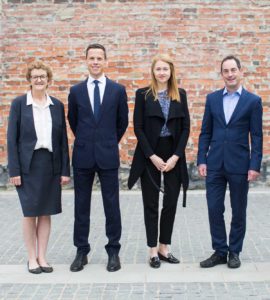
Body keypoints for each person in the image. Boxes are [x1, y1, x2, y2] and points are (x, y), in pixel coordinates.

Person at [197, 55, 263, 269]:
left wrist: (254, 165)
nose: (230, 74)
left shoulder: (253, 101)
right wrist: (201, 159)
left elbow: (257, 136)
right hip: (214, 163)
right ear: (222, 74)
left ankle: (234, 251)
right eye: (226, 71)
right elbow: (205, 132)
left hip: (240, 165)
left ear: (240, 71)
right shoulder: (212, 99)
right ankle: (220, 251)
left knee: (238, 210)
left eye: (233, 70)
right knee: (214, 208)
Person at [68, 43, 128, 272]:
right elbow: (73, 121)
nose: (95, 61)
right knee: (81, 206)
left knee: (111, 205)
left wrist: (108, 141)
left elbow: (122, 122)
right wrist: (87, 140)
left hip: (107, 155)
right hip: (83, 155)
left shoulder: (117, 90)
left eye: (99, 58)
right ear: (86, 60)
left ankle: (113, 251)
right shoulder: (76, 91)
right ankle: (81, 251)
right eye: (91, 58)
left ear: (105, 61)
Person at [7, 61, 70, 274]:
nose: (39, 80)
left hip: (50, 164)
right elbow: (11, 140)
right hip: (27, 166)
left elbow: (62, 141)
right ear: (29, 80)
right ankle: (31, 257)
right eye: (35, 76)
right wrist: (14, 171)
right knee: (30, 213)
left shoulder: (57, 106)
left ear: (49, 79)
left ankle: (43, 256)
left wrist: (64, 171)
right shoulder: (19, 104)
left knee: (46, 212)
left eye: (43, 76)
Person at [128, 54, 190, 268]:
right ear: (153, 72)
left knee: (171, 201)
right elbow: (138, 127)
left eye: (165, 69)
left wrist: (175, 157)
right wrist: (151, 156)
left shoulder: (180, 94)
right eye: (158, 69)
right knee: (151, 203)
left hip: (173, 152)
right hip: (149, 153)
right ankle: (152, 250)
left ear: (171, 71)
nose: (162, 72)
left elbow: (185, 128)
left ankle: (164, 247)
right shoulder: (143, 94)